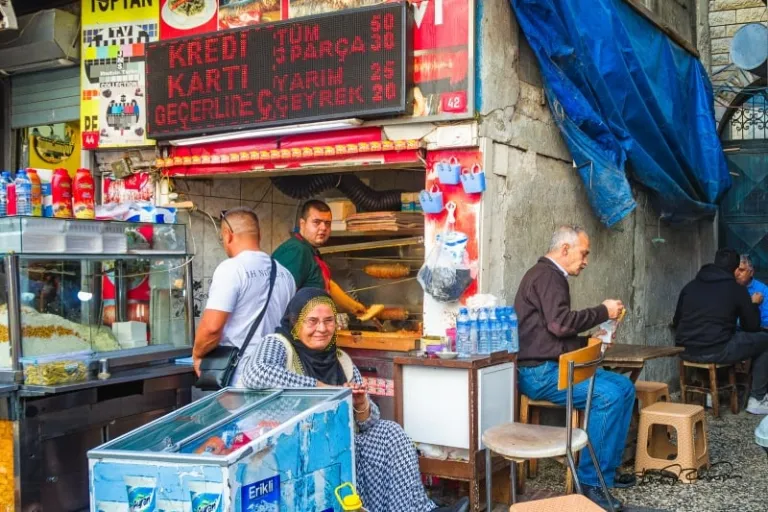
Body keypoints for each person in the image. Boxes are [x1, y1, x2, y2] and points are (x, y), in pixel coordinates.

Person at [241, 288, 469, 512]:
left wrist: (361, 405)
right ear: (294, 322)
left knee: (390, 433)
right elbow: (256, 373)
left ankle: (418, 510)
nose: (322, 328)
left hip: (335, 443)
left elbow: (369, 423)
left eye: (328, 321)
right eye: (312, 321)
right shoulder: (279, 344)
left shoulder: (341, 361)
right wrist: (324, 389)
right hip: (288, 446)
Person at [514, 225, 633, 510]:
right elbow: (561, 324)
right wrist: (603, 311)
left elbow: (553, 333)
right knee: (608, 396)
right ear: (565, 249)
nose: (586, 261)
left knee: (625, 387)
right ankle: (590, 483)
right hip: (539, 373)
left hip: (552, 366)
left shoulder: (549, 276)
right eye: (584, 253)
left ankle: (606, 470)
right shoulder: (547, 276)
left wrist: (590, 340)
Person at [193, 207, 296, 386]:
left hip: (242, 377)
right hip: (278, 375)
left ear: (228, 235)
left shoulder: (232, 269)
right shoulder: (286, 274)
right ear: (259, 235)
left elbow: (212, 328)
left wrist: (197, 355)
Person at [673, 248, 768, 415]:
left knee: (719, 338)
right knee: (765, 340)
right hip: (717, 351)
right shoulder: (736, 289)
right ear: (734, 269)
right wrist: (753, 304)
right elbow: (751, 327)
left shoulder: (690, 286)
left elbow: (676, 321)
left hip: (685, 351)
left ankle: (711, 393)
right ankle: (757, 399)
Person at [273, 200, 333, 292]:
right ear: (302, 224)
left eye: (327, 223)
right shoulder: (297, 250)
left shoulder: (310, 249)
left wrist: (353, 303)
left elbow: (328, 285)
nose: (324, 228)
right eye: (316, 222)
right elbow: (281, 293)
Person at [735, 254, 768, 328]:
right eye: (735, 269)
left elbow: (766, 321)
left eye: (741, 270)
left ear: (751, 272)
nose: (737, 273)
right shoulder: (729, 286)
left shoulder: (763, 290)